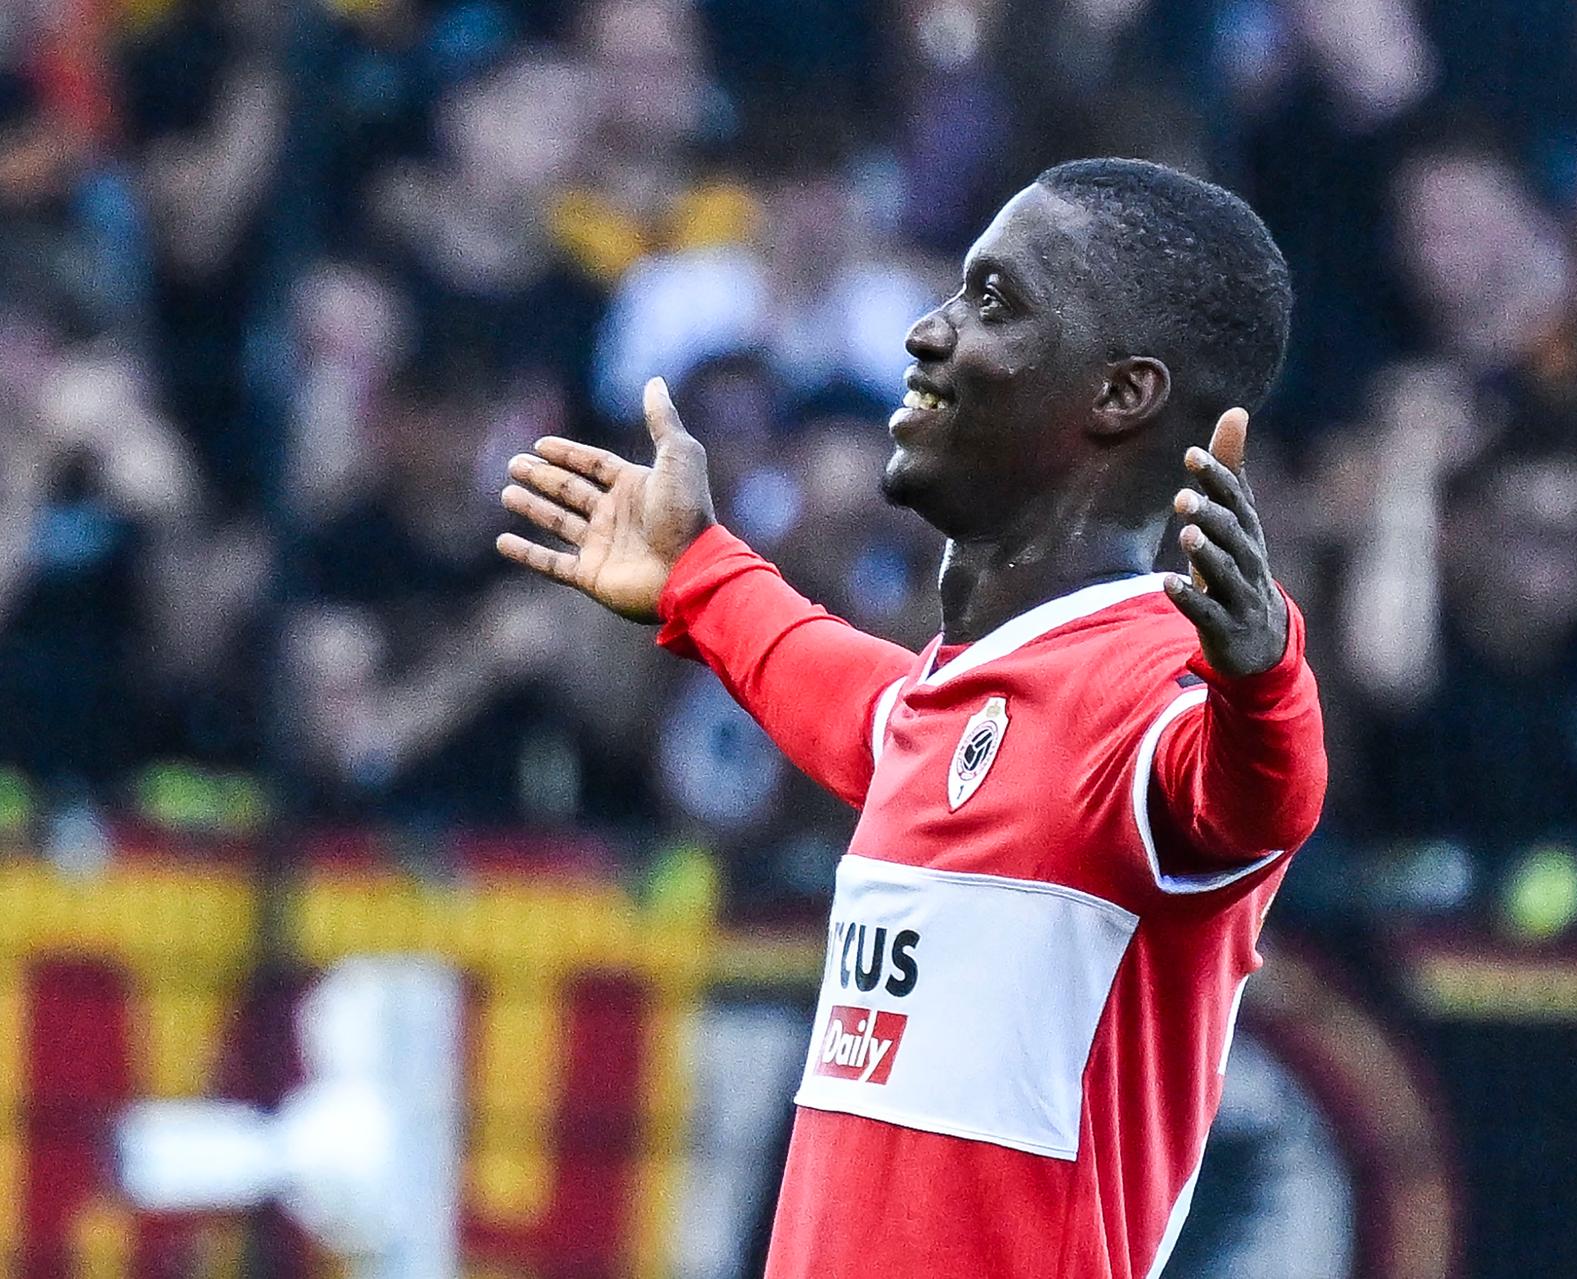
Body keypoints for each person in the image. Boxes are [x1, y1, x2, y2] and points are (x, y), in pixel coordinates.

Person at [497, 158, 1326, 1278]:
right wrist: (699, 571)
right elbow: (872, 714)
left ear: (1119, 394)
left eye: (993, 303)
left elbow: (1251, 802)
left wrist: (1265, 684)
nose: (926, 333)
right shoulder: (962, 699)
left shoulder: (1152, 687)